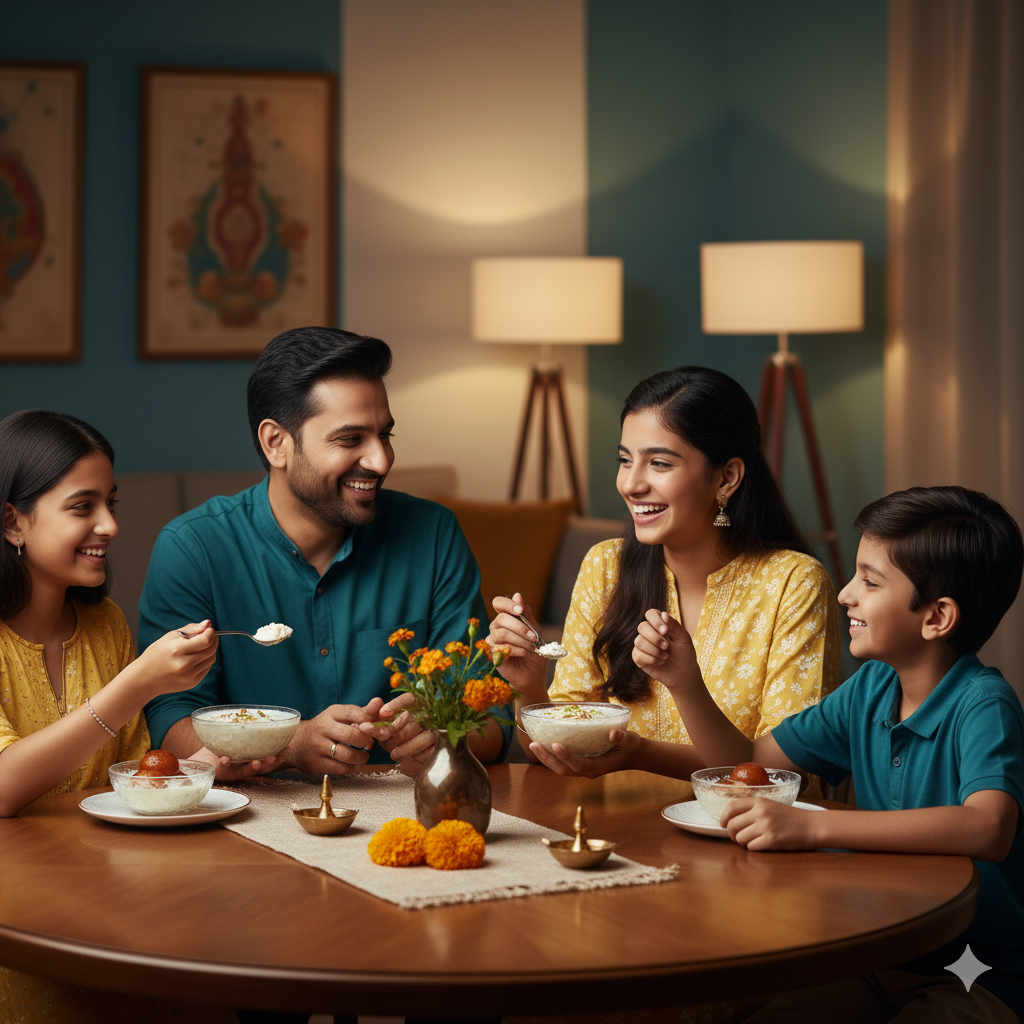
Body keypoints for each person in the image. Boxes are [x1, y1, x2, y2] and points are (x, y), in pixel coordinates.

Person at [643, 486, 1023, 1024]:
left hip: (979, 975)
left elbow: (988, 827)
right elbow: (752, 762)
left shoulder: (984, 703)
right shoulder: (870, 687)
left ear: (937, 617)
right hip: (878, 955)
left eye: (870, 581)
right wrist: (686, 684)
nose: (846, 594)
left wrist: (812, 827)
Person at [140, 326, 508, 775]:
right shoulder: (192, 548)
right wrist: (289, 744)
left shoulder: (433, 534)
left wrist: (445, 734)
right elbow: (170, 723)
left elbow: (493, 720)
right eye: (350, 439)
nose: (381, 461)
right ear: (276, 443)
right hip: (247, 811)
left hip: (409, 804)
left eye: (385, 435)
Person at [489, 365, 841, 778]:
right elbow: (556, 751)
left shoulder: (793, 584)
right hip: (612, 816)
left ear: (726, 478)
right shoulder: (605, 567)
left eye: (658, 463)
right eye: (625, 460)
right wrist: (530, 688)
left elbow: (782, 774)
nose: (631, 484)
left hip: (740, 820)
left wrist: (644, 752)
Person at [0, 409, 233, 1023]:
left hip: (116, 900)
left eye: (111, 502)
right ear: (13, 522)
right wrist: (137, 684)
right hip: (17, 924)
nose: (110, 525)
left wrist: (205, 764)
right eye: (83, 506)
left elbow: (133, 776)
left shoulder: (105, 624)